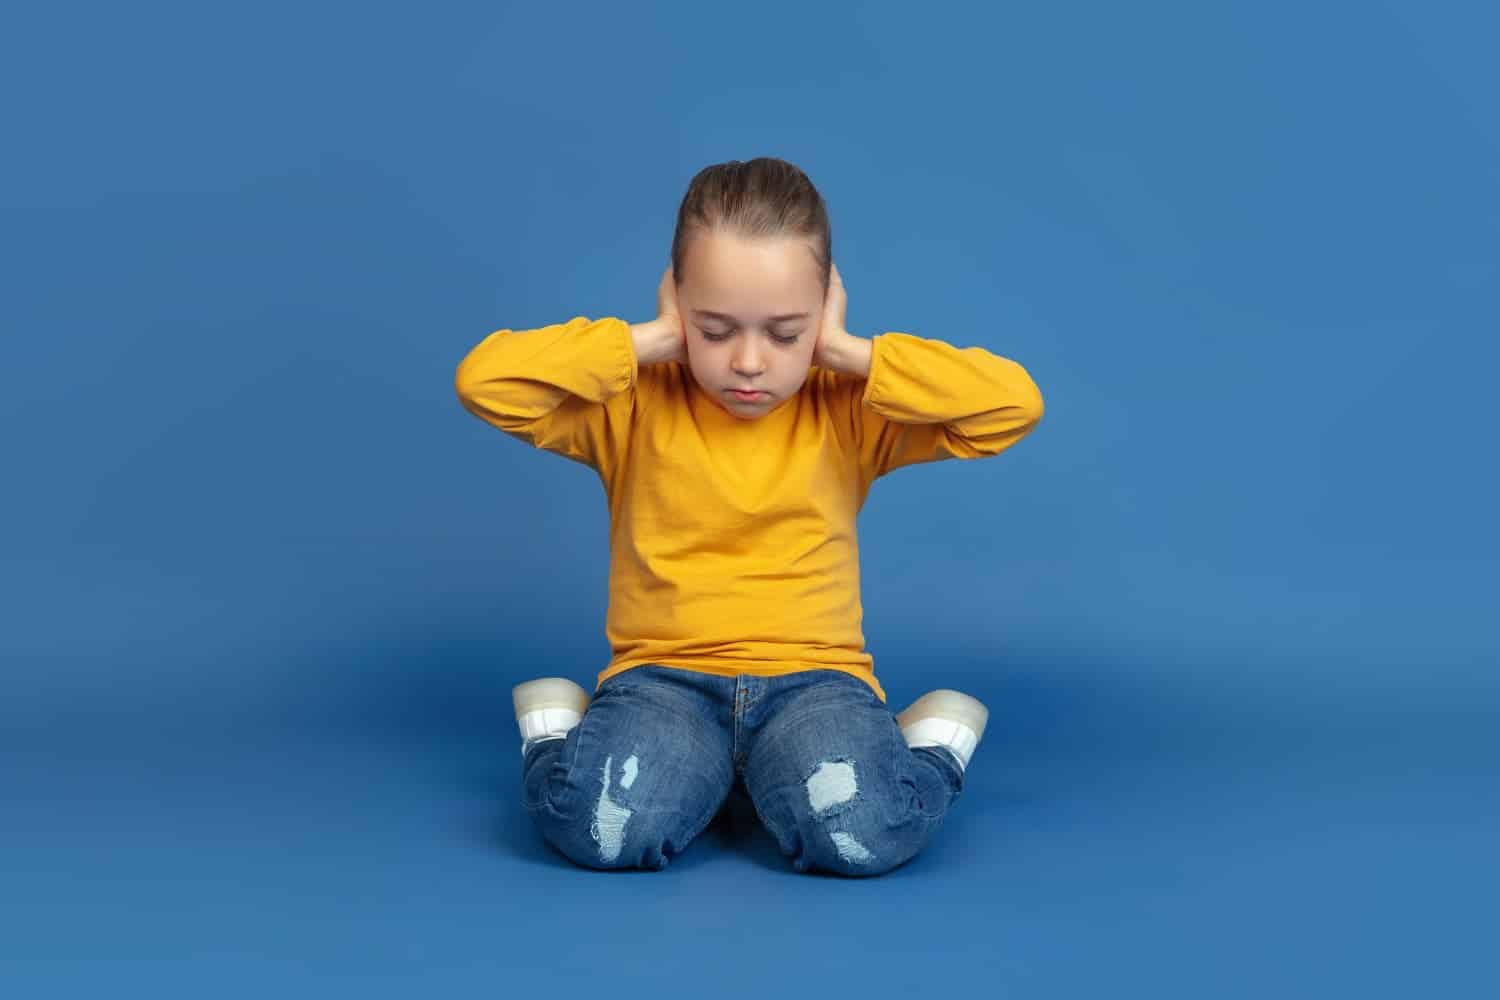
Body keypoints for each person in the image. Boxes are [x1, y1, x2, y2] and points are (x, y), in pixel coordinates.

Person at [454, 157, 1045, 875]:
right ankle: (556, 735)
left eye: (786, 333)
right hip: (664, 683)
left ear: (825, 305)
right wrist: (648, 341)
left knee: (861, 835)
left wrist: (844, 352)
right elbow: (486, 382)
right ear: (675, 299)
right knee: (603, 830)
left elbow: (1012, 406)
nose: (749, 362)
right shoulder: (633, 402)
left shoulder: (845, 406)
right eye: (714, 328)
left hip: (813, 683)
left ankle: (928, 749)